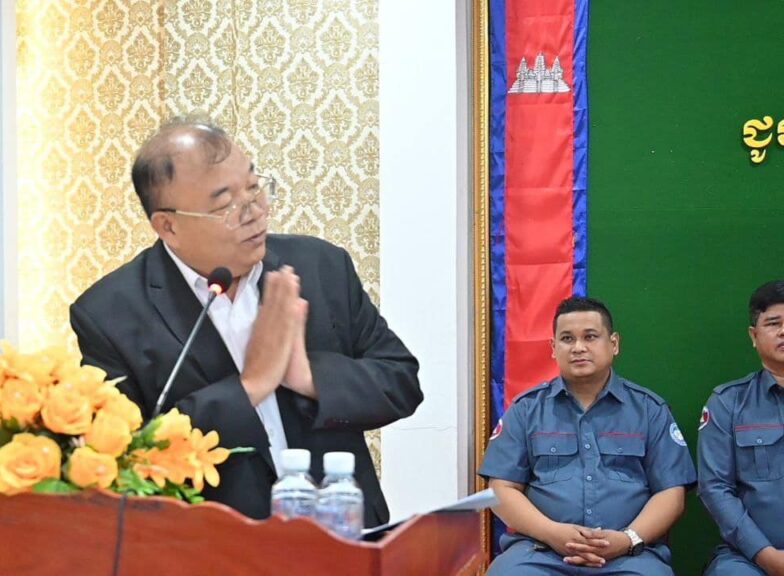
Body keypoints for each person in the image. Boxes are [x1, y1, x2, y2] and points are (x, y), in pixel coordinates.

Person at [70, 118, 422, 526]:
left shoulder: (320, 267)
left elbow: (401, 381)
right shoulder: (110, 314)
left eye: (254, 187)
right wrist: (250, 385)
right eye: (225, 205)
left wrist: (308, 376)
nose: (255, 211)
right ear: (168, 226)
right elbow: (130, 459)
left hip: (342, 535)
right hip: (213, 551)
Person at [480, 296, 695, 575]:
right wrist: (553, 533)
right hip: (540, 553)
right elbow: (501, 489)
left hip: (629, 554)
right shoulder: (526, 409)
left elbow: (671, 493)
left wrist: (627, 539)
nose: (579, 347)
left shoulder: (649, 410)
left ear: (614, 343)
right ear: (553, 348)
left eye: (590, 337)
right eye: (567, 339)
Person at [699, 279, 784, 576]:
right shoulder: (728, 403)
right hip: (748, 558)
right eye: (774, 323)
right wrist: (767, 557)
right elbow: (715, 488)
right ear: (754, 335)